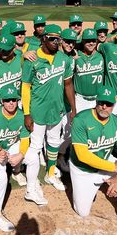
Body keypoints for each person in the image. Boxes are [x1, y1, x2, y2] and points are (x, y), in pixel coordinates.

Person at [22, 24, 76, 202]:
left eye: (58, 38)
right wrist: (27, 113)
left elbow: (68, 84)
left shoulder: (64, 59)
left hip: (58, 109)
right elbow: (26, 87)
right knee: (35, 147)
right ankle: (31, 186)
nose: (56, 41)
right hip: (37, 111)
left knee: (54, 142)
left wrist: (73, 108)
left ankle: (50, 174)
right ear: (43, 38)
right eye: (52, 38)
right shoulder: (32, 59)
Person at [69, 88, 117, 217]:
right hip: (82, 169)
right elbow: (83, 156)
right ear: (96, 102)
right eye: (101, 103)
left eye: (108, 104)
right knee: (82, 212)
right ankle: (88, 189)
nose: (104, 107)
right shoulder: (81, 119)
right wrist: (114, 167)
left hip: (104, 162)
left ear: (114, 105)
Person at [0, 86, 29, 231]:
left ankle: (18, 173)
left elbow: (24, 140)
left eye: (14, 100)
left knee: (31, 156)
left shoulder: (22, 115)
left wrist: (20, 155)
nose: (11, 103)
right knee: (1, 176)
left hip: (11, 147)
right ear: (2, 101)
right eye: (8, 100)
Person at [72, 28, 105, 113]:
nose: (91, 43)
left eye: (93, 41)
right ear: (82, 41)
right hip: (80, 100)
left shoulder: (102, 56)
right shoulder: (76, 56)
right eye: (88, 41)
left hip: (98, 100)